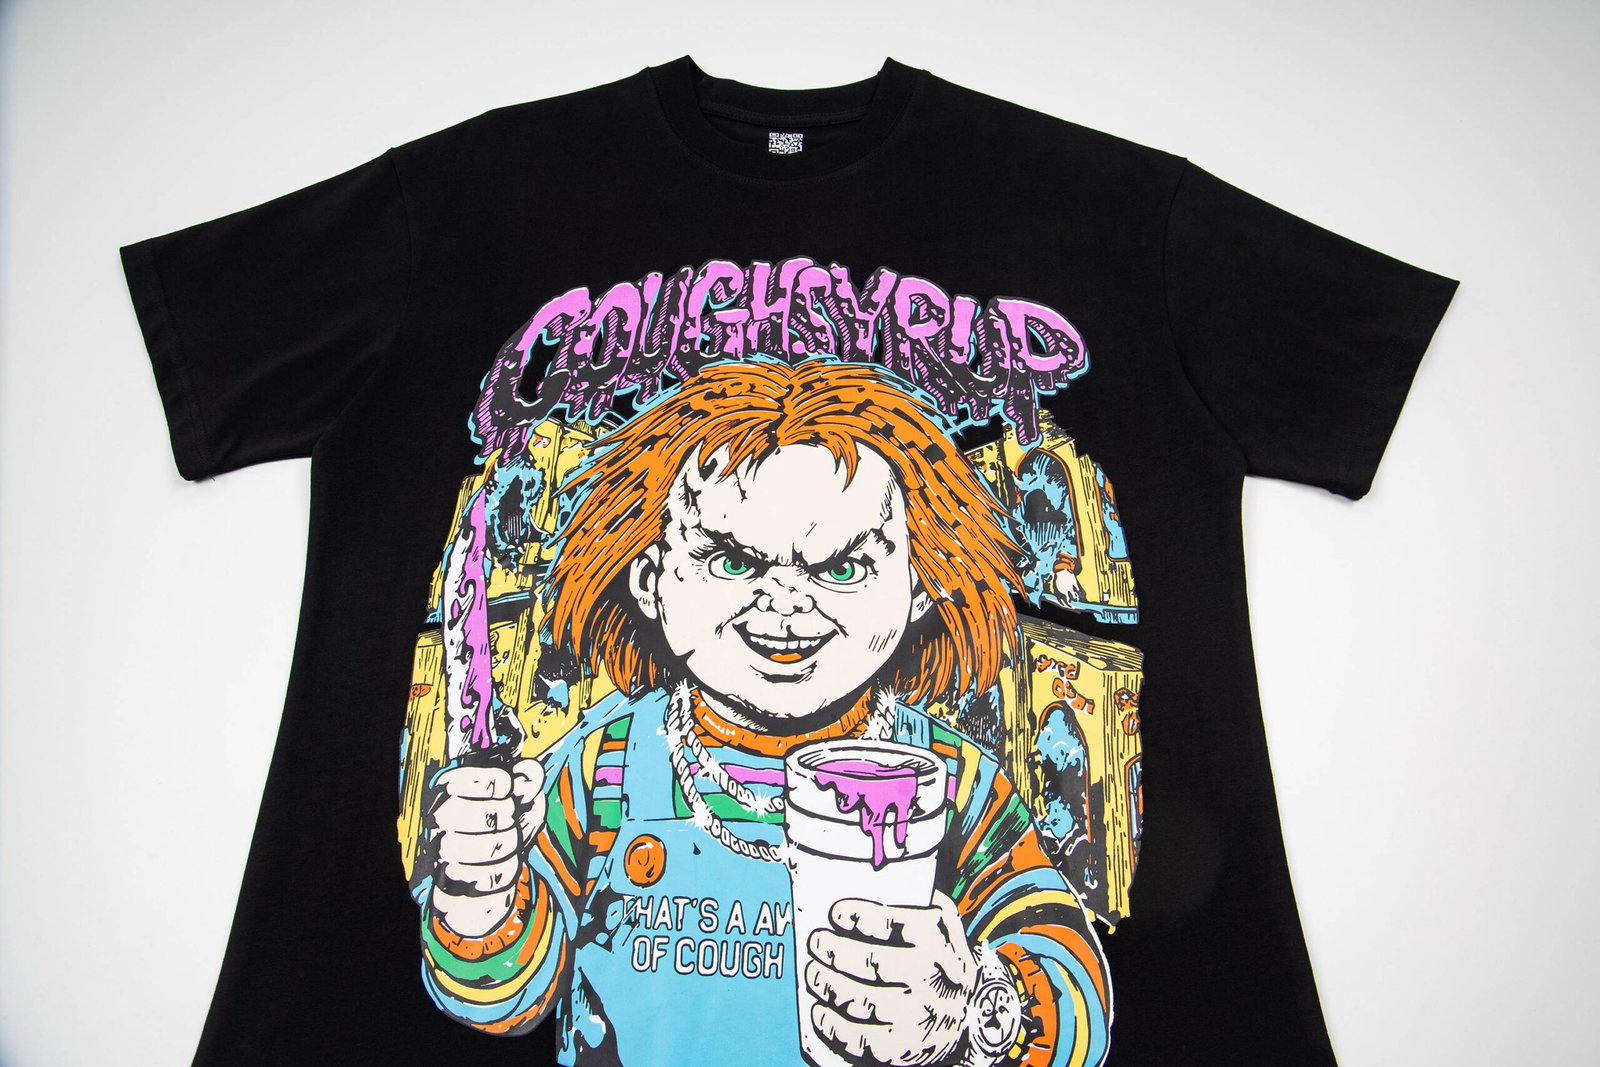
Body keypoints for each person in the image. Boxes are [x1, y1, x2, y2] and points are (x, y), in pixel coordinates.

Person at [417, 357, 1112, 1067]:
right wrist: (479, 899)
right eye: (732, 562)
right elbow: (508, 1002)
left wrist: (978, 1008)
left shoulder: (952, 782)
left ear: (916, 590)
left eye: (841, 569)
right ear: (651, 582)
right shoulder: (601, 768)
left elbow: (1071, 979)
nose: (785, 603)